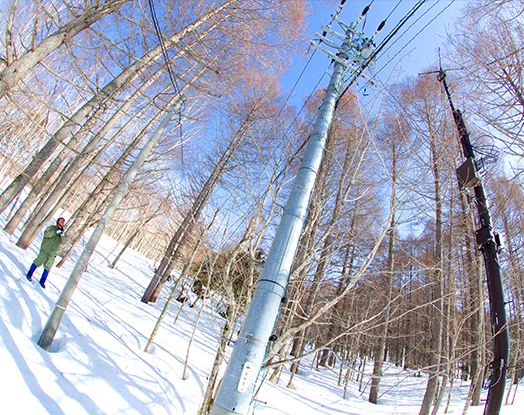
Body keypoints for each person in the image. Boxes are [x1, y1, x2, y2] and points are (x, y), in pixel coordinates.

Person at [26, 217, 67, 289]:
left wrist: (62, 235)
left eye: (63, 222)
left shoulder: (62, 232)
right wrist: (55, 232)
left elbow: (63, 242)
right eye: (60, 221)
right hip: (45, 250)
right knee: (38, 262)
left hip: (53, 253)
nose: (62, 223)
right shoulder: (51, 228)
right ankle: (29, 274)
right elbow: (46, 234)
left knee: (48, 267)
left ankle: (42, 281)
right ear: (57, 221)